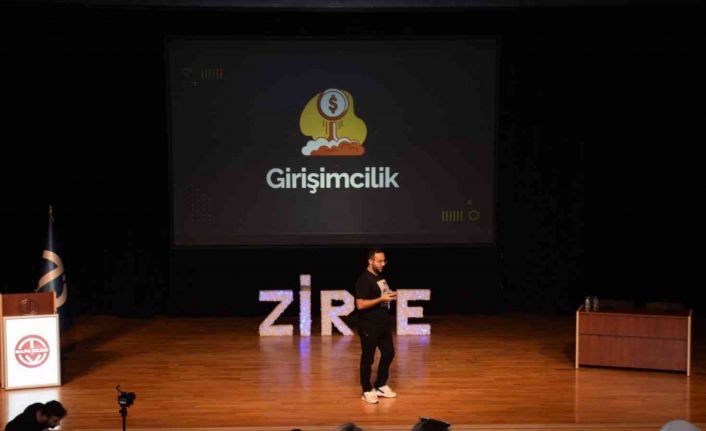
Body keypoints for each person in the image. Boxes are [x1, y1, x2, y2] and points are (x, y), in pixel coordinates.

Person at [354, 247, 398, 404]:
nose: (382, 264)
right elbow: (360, 304)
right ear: (370, 261)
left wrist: (390, 295)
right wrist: (381, 299)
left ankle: (380, 385)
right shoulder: (363, 280)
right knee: (368, 358)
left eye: (384, 261)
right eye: (379, 261)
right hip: (369, 325)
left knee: (389, 353)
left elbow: (381, 294)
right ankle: (366, 389)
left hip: (383, 324)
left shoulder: (379, 276)